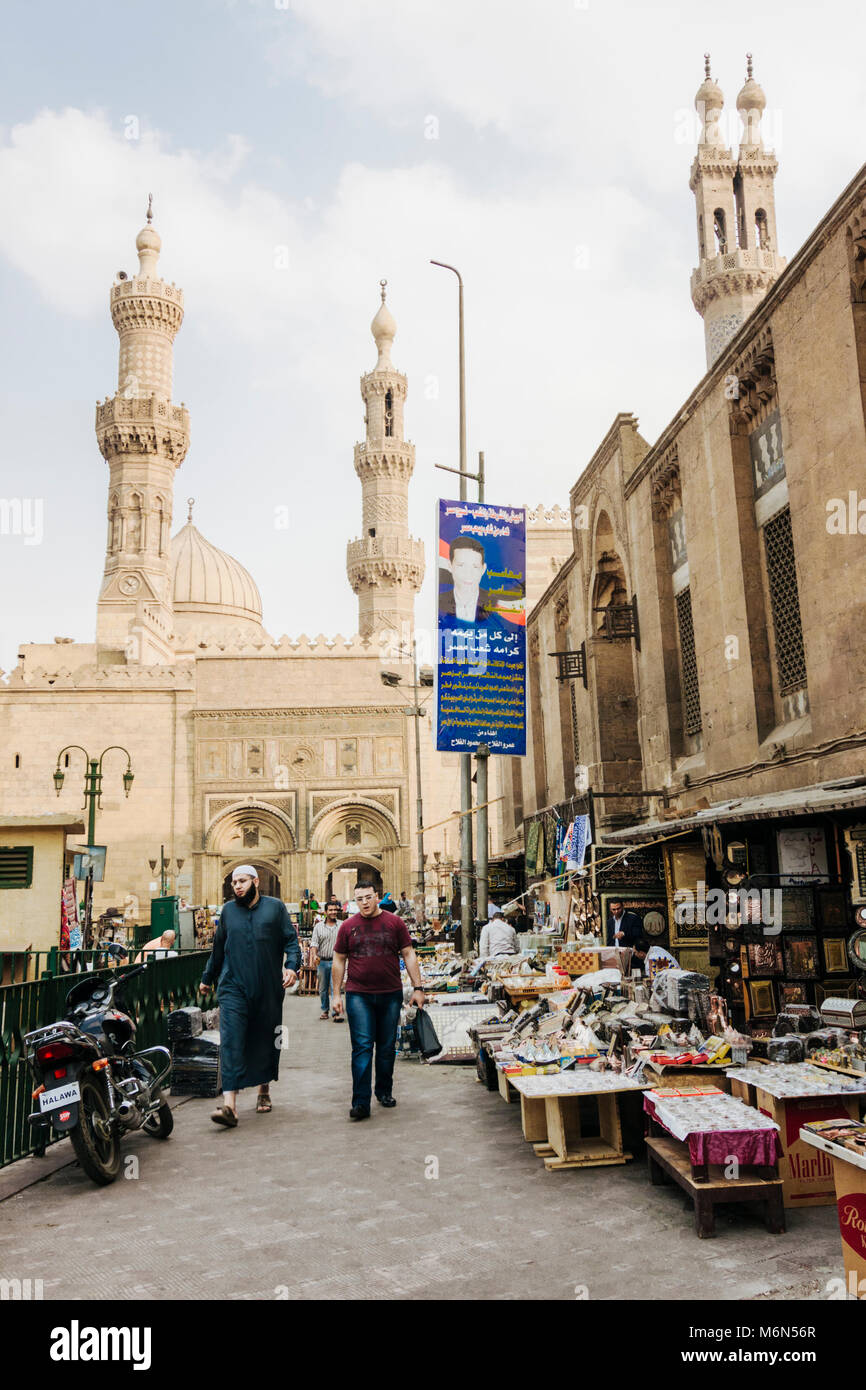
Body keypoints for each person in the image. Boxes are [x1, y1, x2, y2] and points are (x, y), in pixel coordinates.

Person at [199, 865, 300, 1127]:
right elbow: (218, 948)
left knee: (266, 1038)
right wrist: (207, 978)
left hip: (267, 987)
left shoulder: (275, 908)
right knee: (231, 1041)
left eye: (242, 881)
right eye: (234, 883)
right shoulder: (228, 912)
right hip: (233, 987)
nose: (238, 886)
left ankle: (263, 1089)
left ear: (255, 881)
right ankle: (230, 1105)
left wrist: (291, 966)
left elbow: (291, 941)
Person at [331, 881, 426, 1120]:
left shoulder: (395, 923)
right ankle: (360, 1102)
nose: (363, 902)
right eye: (359, 898)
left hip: (390, 994)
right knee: (362, 1048)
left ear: (377, 897)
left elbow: (408, 954)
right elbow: (339, 960)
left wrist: (418, 988)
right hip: (358, 995)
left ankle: (384, 1091)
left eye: (367, 897)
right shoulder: (348, 927)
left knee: (385, 1048)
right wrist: (335, 994)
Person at [310, 898, 342, 1021]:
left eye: (335, 910)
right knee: (323, 989)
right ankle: (325, 1010)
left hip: (337, 962)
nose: (333, 912)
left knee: (335, 988)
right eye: (331, 910)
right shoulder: (318, 927)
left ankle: (336, 1013)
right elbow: (314, 943)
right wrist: (314, 956)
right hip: (322, 961)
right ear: (325, 912)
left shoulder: (342, 925)